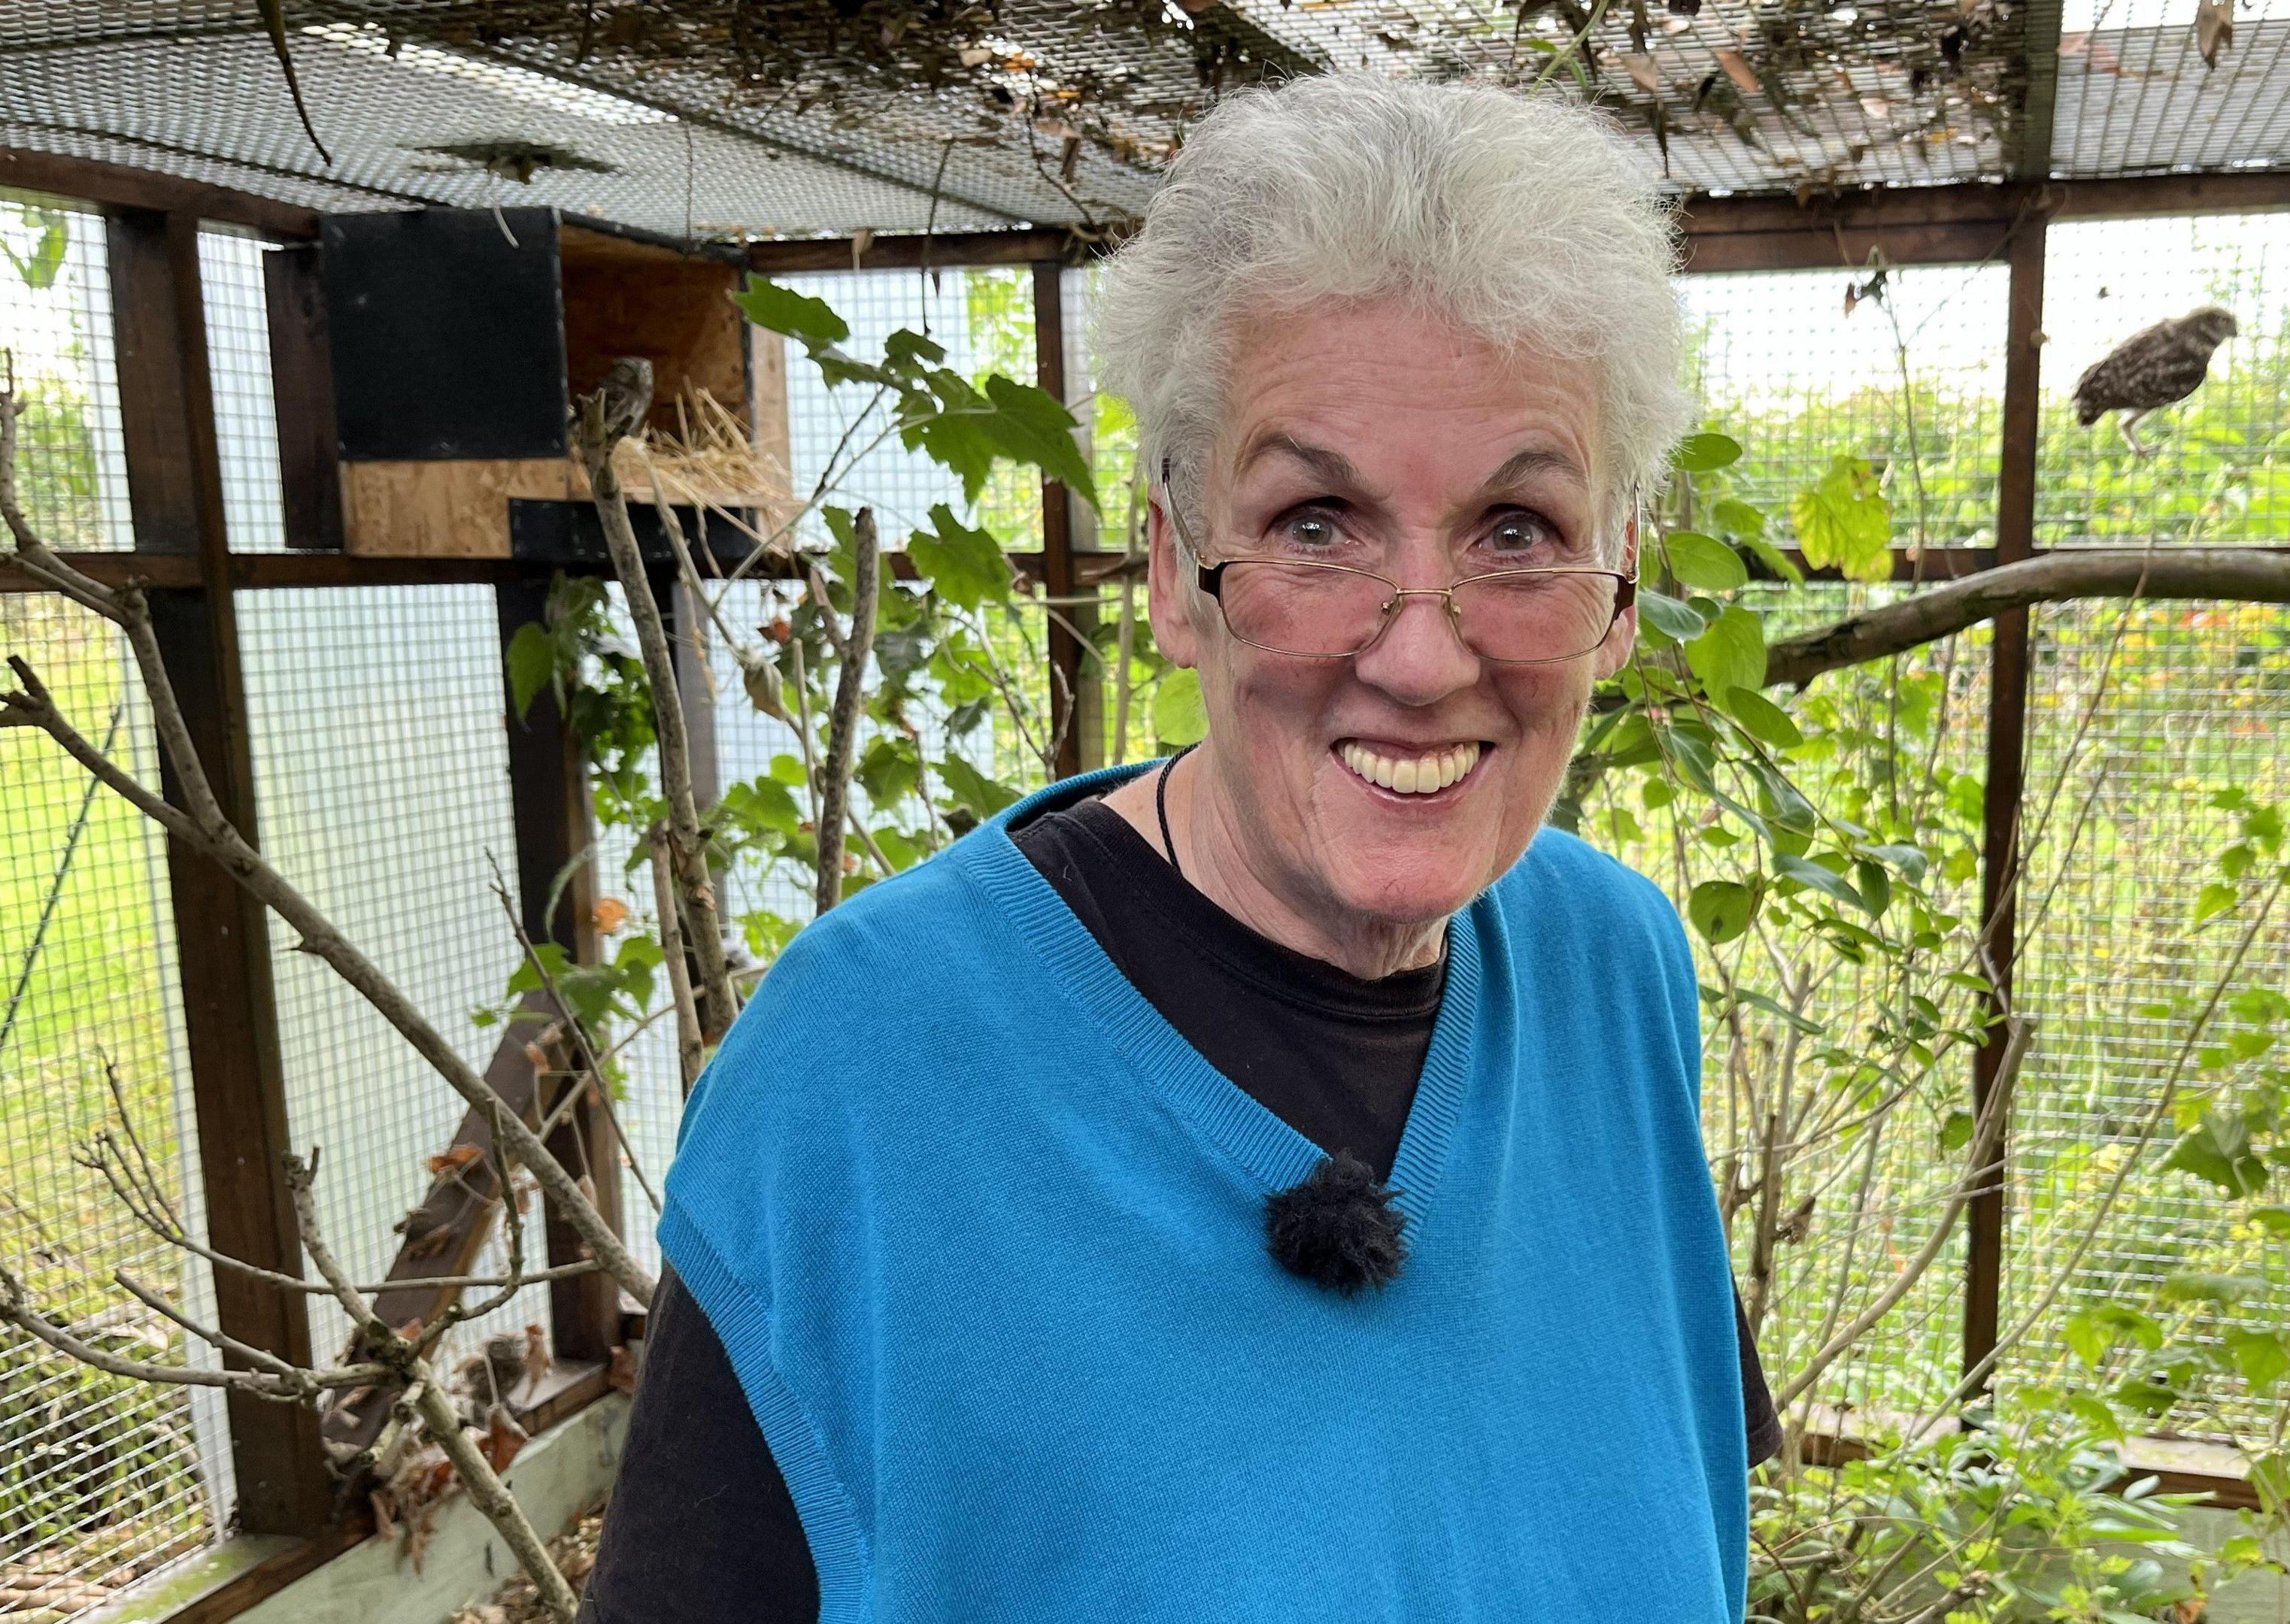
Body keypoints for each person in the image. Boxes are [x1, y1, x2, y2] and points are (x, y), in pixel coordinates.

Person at [582, 71, 1776, 1624]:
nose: (1422, 656)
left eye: (1517, 530)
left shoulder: (1617, 974)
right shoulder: (871, 1072)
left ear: (1618, 582)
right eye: (1315, 523)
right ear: (1169, 568)